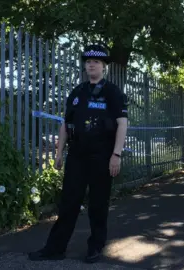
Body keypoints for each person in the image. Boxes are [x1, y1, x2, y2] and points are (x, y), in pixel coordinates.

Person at [28, 44, 128, 263]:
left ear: (104, 67)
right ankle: (55, 248)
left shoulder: (112, 92)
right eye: (88, 62)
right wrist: (58, 153)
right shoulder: (77, 93)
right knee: (69, 203)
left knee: (98, 204)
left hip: (102, 156)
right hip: (77, 156)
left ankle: (95, 247)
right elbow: (66, 124)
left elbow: (122, 124)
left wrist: (116, 155)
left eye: (96, 62)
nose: (91, 65)